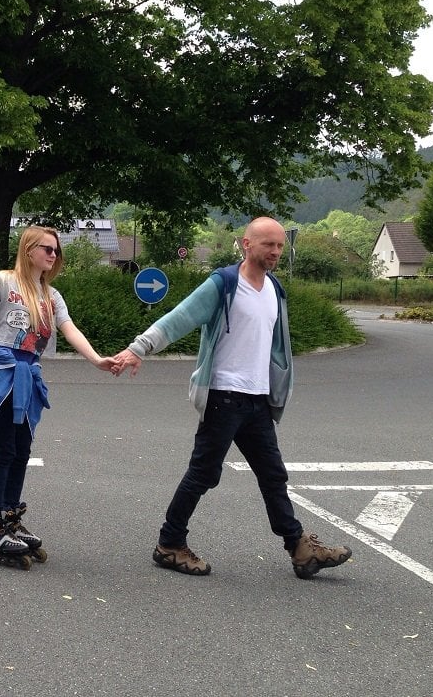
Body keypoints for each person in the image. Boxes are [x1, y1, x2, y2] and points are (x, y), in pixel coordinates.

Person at [113, 217, 352, 579]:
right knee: (203, 474)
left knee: (273, 475)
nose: (275, 251)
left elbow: (275, 346)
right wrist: (138, 348)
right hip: (223, 396)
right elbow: (179, 318)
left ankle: (300, 549)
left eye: (279, 245)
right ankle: (169, 544)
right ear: (246, 244)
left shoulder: (275, 289)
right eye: (268, 244)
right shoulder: (223, 284)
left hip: (257, 400)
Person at [0, 226, 117, 566]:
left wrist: (97, 360)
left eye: (56, 250)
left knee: (21, 452)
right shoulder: (3, 281)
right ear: (29, 250)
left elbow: (70, 329)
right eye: (47, 248)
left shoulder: (52, 296)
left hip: (29, 376)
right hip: (3, 373)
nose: (53, 255)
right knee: (4, 450)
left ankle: (10, 518)